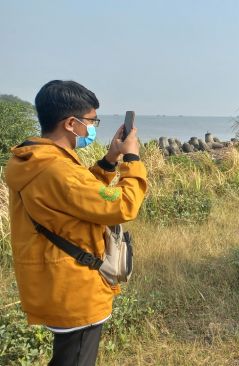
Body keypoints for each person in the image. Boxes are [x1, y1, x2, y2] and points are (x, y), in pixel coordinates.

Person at [5, 80, 148, 365]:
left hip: (55, 283)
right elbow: (123, 205)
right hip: (75, 289)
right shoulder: (58, 169)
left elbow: (78, 197)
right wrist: (132, 157)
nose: (93, 127)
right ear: (71, 123)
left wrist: (110, 159)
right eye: (91, 120)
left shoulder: (34, 159)